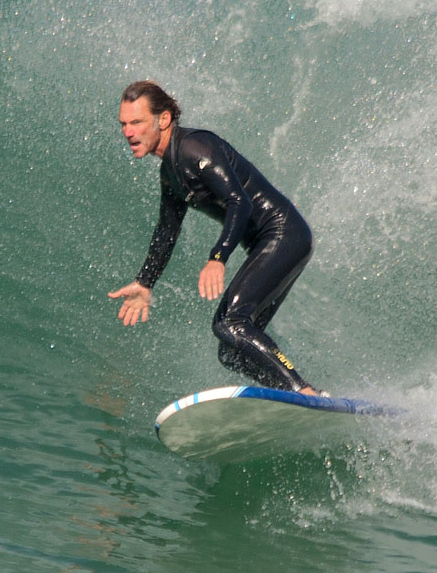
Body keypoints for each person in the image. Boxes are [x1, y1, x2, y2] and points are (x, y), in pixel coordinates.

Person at [108, 80, 323, 395]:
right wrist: (144, 282)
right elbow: (167, 231)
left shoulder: (196, 149)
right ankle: (297, 395)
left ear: (163, 119)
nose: (128, 132)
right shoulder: (170, 172)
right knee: (231, 351)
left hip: (283, 233)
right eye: (124, 124)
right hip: (276, 240)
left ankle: (304, 391)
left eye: (137, 122)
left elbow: (240, 201)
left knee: (230, 323)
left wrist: (218, 257)